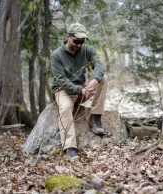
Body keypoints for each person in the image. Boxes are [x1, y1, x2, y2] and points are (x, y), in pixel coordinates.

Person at [51, 23, 107, 159]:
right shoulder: (56, 55)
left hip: (82, 88)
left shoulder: (88, 50)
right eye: (76, 41)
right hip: (63, 90)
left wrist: (95, 79)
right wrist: (79, 91)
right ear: (67, 37)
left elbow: (99, 64)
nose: (79, 45)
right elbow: (61, 80)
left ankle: (96, 117)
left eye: (81, 42)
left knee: (103, 78)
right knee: (65, 107)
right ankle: (70, 146)